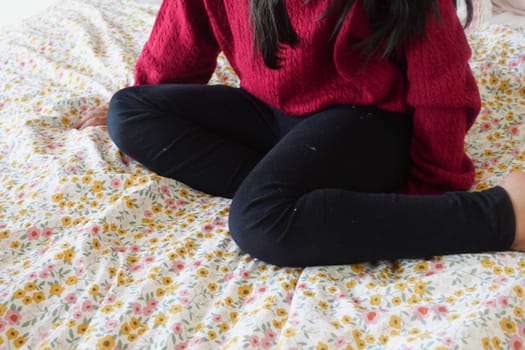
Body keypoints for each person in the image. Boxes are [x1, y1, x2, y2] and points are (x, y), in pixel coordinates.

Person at [76, 0, 525, 267]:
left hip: (365, 119)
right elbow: (181, 34)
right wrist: (152, 95)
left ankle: (502, 214)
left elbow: (441, 87)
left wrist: (431, 185)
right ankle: (300, 191)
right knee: (128, 111)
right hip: (269, 112)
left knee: (260, 223)